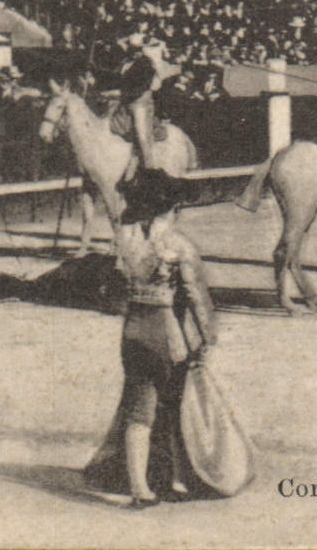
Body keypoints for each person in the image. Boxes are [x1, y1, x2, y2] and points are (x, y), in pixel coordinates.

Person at [85, 174, 218, 508]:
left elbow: (112, 293)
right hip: (166, 334)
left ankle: (140, 487)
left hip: (132, 331)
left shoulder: (124, 242)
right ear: (171, 209)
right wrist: (207, 337)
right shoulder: (178, 244)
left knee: (139, 409)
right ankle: (172, 480)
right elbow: (196, 296)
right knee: (170, 408)